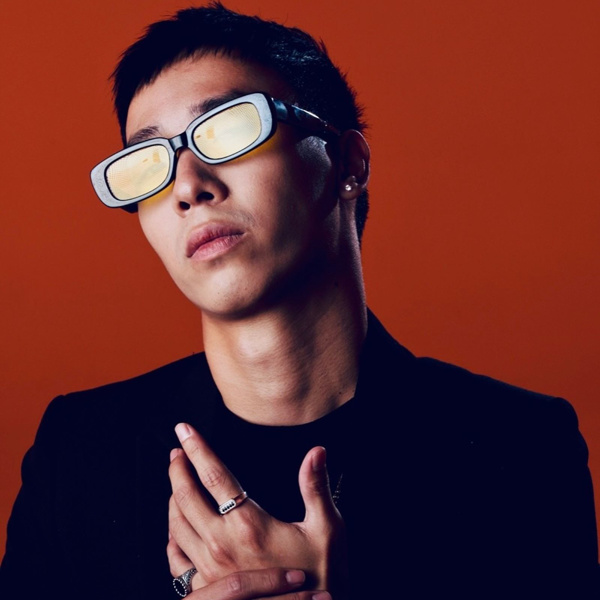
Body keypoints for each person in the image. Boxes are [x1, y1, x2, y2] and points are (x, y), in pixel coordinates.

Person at [1, 3, 598, 599]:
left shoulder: (520, 448)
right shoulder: (78, 454)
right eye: (148, 162)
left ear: (347, 164)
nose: (187, 187)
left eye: (229, 130)